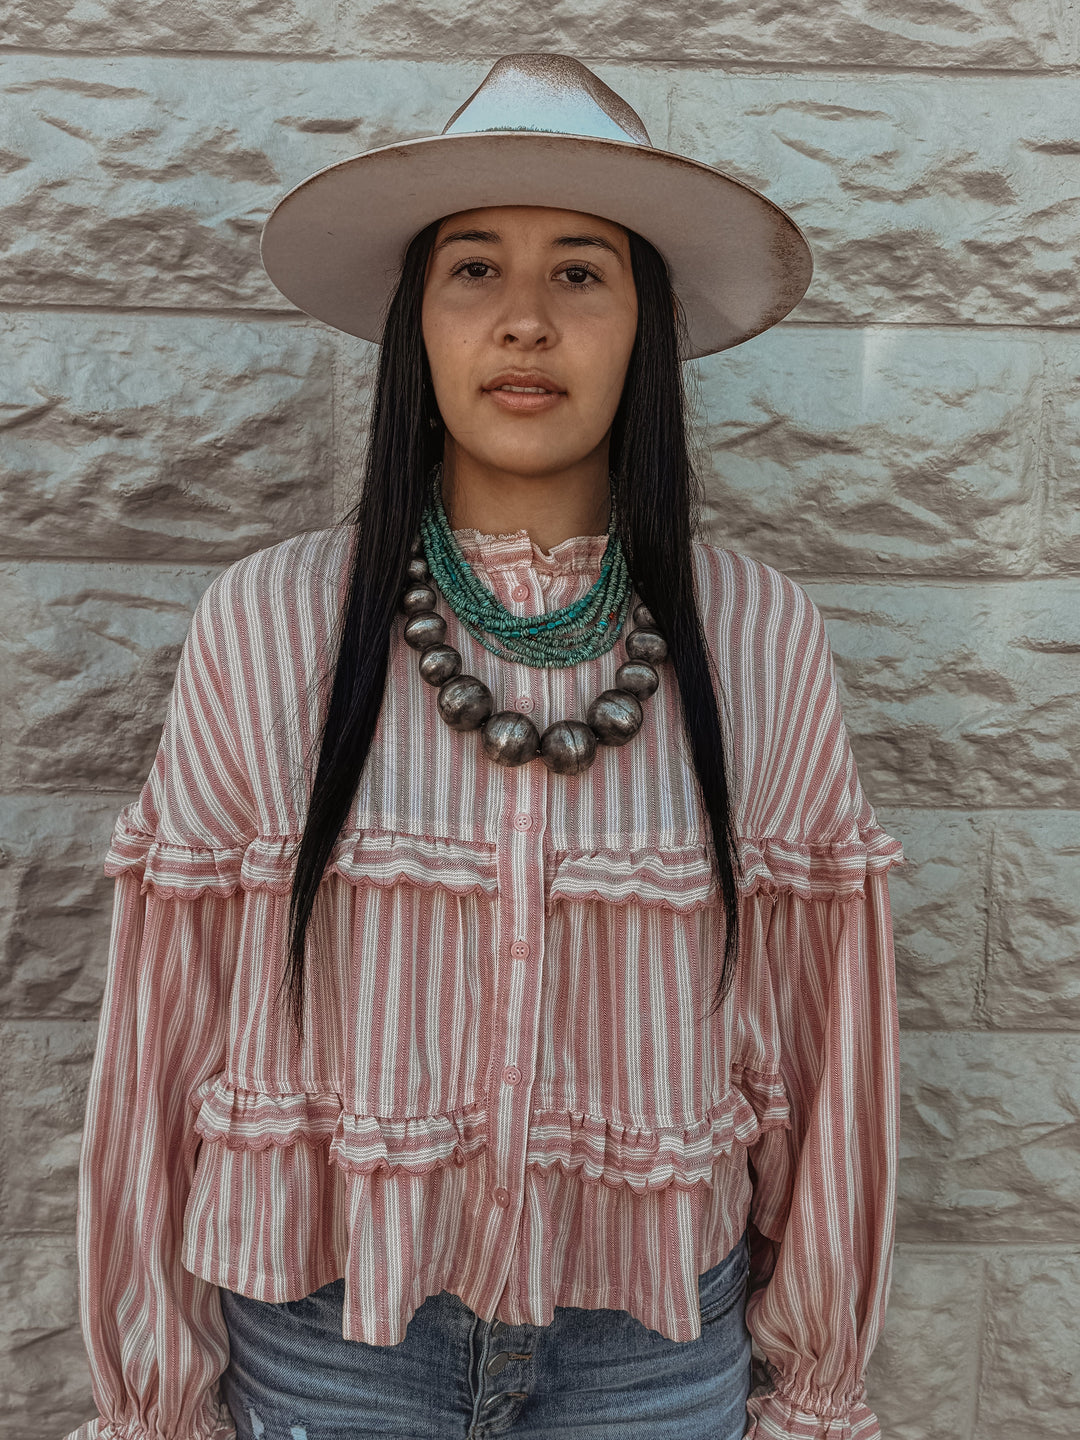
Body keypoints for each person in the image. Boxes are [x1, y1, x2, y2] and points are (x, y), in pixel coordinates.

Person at [66, 53, 906, 1440]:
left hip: (649, 1361)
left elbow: (824, 1041)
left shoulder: (757, 637)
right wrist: (154, 1397)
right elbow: (169, 1019)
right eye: (474, 270)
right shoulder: (271, 626)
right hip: (330, 1352)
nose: (525, 320)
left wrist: (813, 1385)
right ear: (417, 323)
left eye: (582, 273)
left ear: (645, 322)